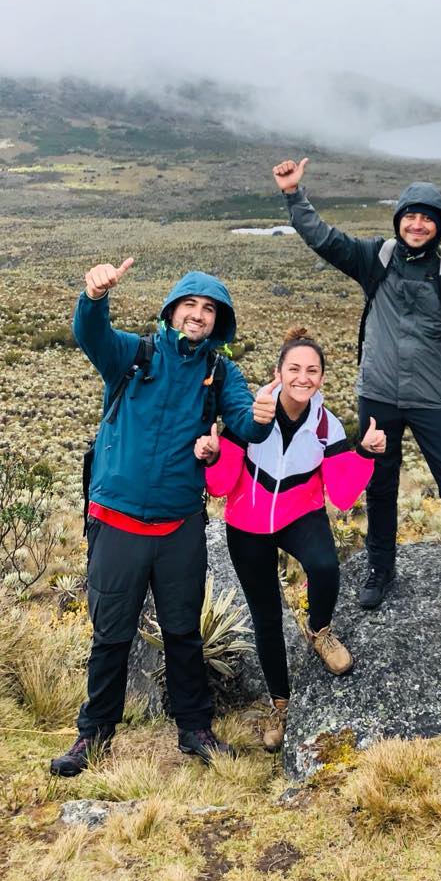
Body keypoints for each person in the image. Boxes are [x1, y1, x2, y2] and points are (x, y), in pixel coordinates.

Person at [271, 159, 441, 619]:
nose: (417, 224)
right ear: (399, 220)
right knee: (380, 486)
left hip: (431, 398)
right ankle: (380, 569)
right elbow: (324, 239)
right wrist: (294, 195)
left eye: (427, 218)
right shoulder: (377, 257)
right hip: (378, 395)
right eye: (410, 216)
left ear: (439, 226)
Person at [50, 258, 275, 777]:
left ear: (219, 321)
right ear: (172, 311)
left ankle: (195, 731)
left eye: (209, 309)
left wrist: (263, 418)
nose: (198, 315)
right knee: (111, 635)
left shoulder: (221, 373)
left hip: (179, 524)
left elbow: (245, 423)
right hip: (117, 519)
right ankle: (94, 734)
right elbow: (91, 334)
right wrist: (94, 297)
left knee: (183, 632)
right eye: (189, 305)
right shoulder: (134, 355)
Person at [198, 326, 388, 750]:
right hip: (247, 521)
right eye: (295, 369)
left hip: (300, 513)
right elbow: (222, 483)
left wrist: (364, 453)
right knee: (266, 617)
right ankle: (280, 705)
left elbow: (341, 494)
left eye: (312, 371)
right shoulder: (251, 415)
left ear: (321, 378)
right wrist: (213, 455)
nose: (303, 378)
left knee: (325, 565)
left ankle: (319, 632)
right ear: (278, 373)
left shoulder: (326, 426)